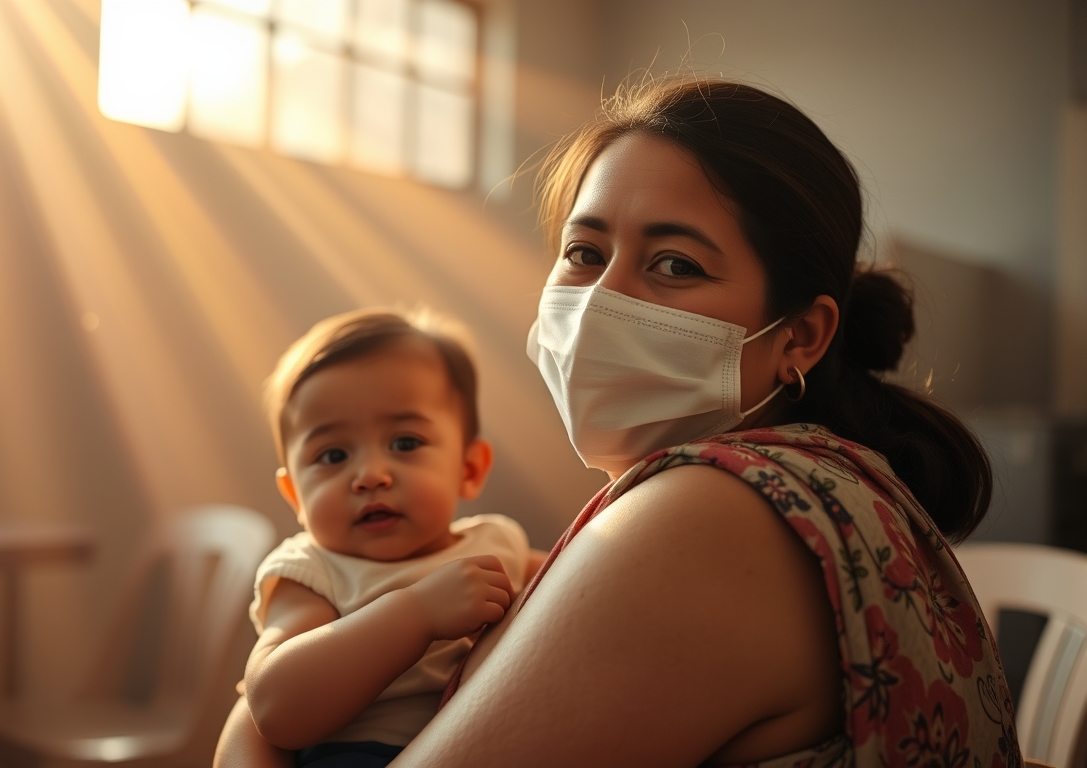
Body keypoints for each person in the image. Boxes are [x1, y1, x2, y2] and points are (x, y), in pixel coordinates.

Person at [219, 78, 1020, 767]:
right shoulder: (817, 477)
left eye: (675, 264)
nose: (603, 301)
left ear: (800, 337)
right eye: (584, 251)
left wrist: (246, 737)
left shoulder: (708, 513)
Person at [231, 308, 548, 768]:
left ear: (469, 468)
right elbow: (275, 709)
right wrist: (417, 612)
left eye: (404, 443)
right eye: (333, 454)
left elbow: (589, 587)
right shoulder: (313, 572)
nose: (371, 476)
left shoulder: (500, 543)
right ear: (295, 495)